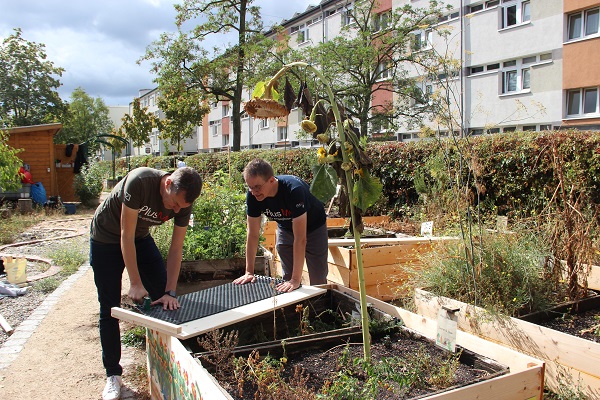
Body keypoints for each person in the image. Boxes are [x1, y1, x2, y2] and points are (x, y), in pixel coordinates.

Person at [90, 166, 202, 400]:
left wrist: (170, 290)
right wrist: (135, 282)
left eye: (182, 207)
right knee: (109, 307)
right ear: (168, 184)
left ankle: (167, 361)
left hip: (140, 238)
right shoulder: (140, 182)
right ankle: (113, 375)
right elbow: (125, 234)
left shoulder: (183, 199)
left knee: (165, 296)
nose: (178, 210)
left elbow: (176, 248)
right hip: (106, 237)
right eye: (175, 204)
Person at [233, 158, 328, 293]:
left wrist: (296, 279)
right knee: (287, 281)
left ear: (272, 180)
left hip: (314, 228)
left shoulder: (294, 190)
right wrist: (249, 272)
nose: (254, 192)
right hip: (285, 227)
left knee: (318, 281)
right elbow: (252, 234)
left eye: (258, 187)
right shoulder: (253, 195)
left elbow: (300, 239)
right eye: (250, 187)